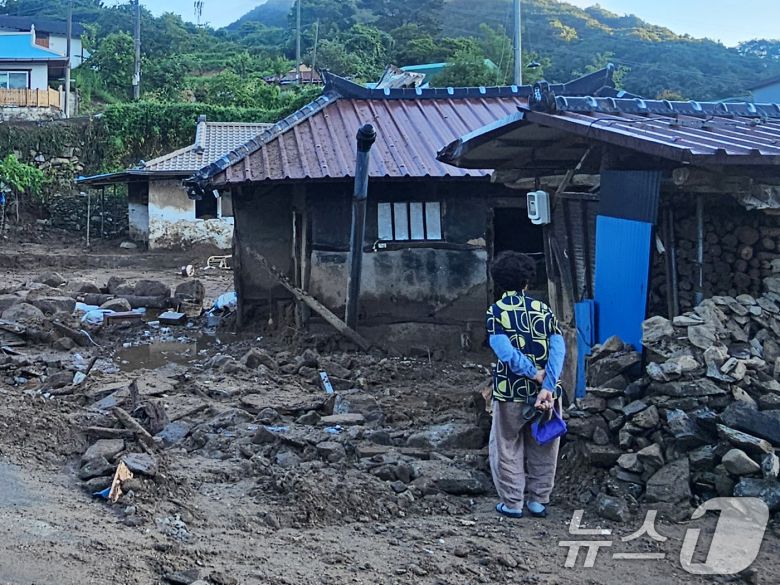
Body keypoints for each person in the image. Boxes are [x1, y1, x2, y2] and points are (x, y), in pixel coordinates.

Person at [486, 251, 565, 519]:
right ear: (527, 282)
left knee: (506, 445)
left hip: (510, 391)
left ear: (497, 282)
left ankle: (512, 503)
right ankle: (538, 501)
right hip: (547, 394)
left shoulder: (496, 312)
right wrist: (548, 383)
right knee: (544, 444)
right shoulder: (544, 310)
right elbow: (558, 349)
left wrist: (532, 373)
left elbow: (504, 352)